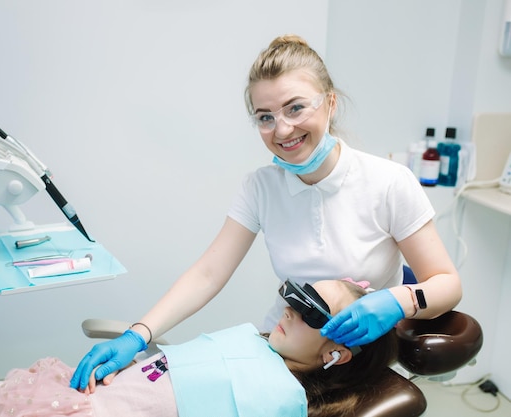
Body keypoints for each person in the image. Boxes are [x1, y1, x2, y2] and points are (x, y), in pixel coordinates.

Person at [70, 33, 461, 390]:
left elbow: (447, 283)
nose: (282, 129)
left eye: (295, 109)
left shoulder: (388, 182)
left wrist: (399, 301)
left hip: (345, 360)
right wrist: (140, 334)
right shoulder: (261, 187)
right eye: (266, 117)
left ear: (330, 103)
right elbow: (208, 273)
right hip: (277, 348)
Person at [0, 280, 398, 417]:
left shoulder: (282, 400)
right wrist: (136, 347)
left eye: (309, 311)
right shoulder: (250, 339)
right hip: (70, 397)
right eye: (292, 294)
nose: (288, 309)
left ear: (340, 351)